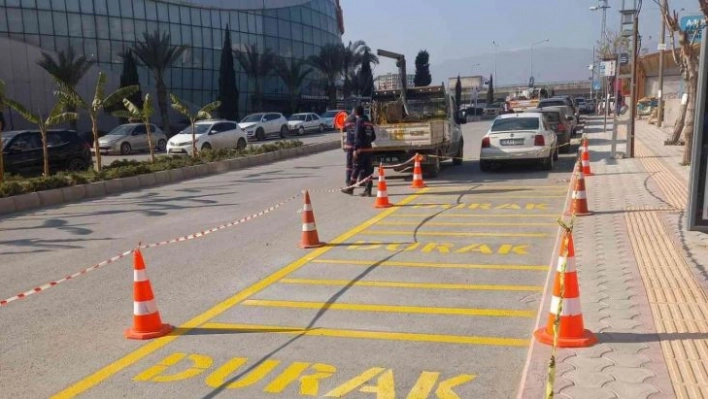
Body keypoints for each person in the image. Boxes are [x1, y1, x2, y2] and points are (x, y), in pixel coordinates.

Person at [347, 105, 376, 196]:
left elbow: (357, 136)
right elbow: (373, 137)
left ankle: (350, 188)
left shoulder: (359, 121)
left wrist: (356, 149)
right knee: (368, 171)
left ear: (355, 112)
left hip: (361, 150)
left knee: (356, 169)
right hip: (369, 149)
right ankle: (368, 191)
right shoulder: (369, 122)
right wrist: (367, 141)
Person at [341, 111, 357, 192]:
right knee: (357, 166)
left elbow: (343, 129)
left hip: (349, 146)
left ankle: (348, 182)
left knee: (349, 165)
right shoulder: (359, 120)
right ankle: (362, 182)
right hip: (357, 146)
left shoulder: (348, 120)